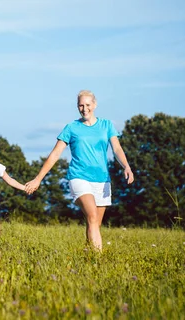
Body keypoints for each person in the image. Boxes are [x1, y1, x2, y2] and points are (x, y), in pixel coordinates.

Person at [25, 90, 134, 251]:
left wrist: (126, 166)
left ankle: (88, 254)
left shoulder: (106, 125)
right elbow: (55, 154)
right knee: (91, 217)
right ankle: (98, 260)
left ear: (95, 105)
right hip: (79, 177)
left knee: (95, 223)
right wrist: (38, 178)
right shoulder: (71, 128)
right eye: (81, 105)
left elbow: (117, 148)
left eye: (88, 105)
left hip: (102, 180)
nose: (84, 109)